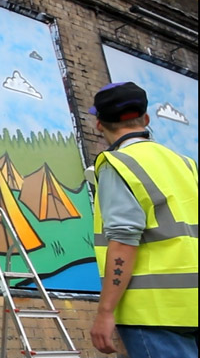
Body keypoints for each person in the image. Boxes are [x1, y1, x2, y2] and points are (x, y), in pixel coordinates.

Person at [88, 81, 198, 357]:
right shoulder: (185, 163)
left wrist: (105, 312)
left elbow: (124, 240)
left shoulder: (117, 164)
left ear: (99, 124)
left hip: (154, 312)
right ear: (146, 119)